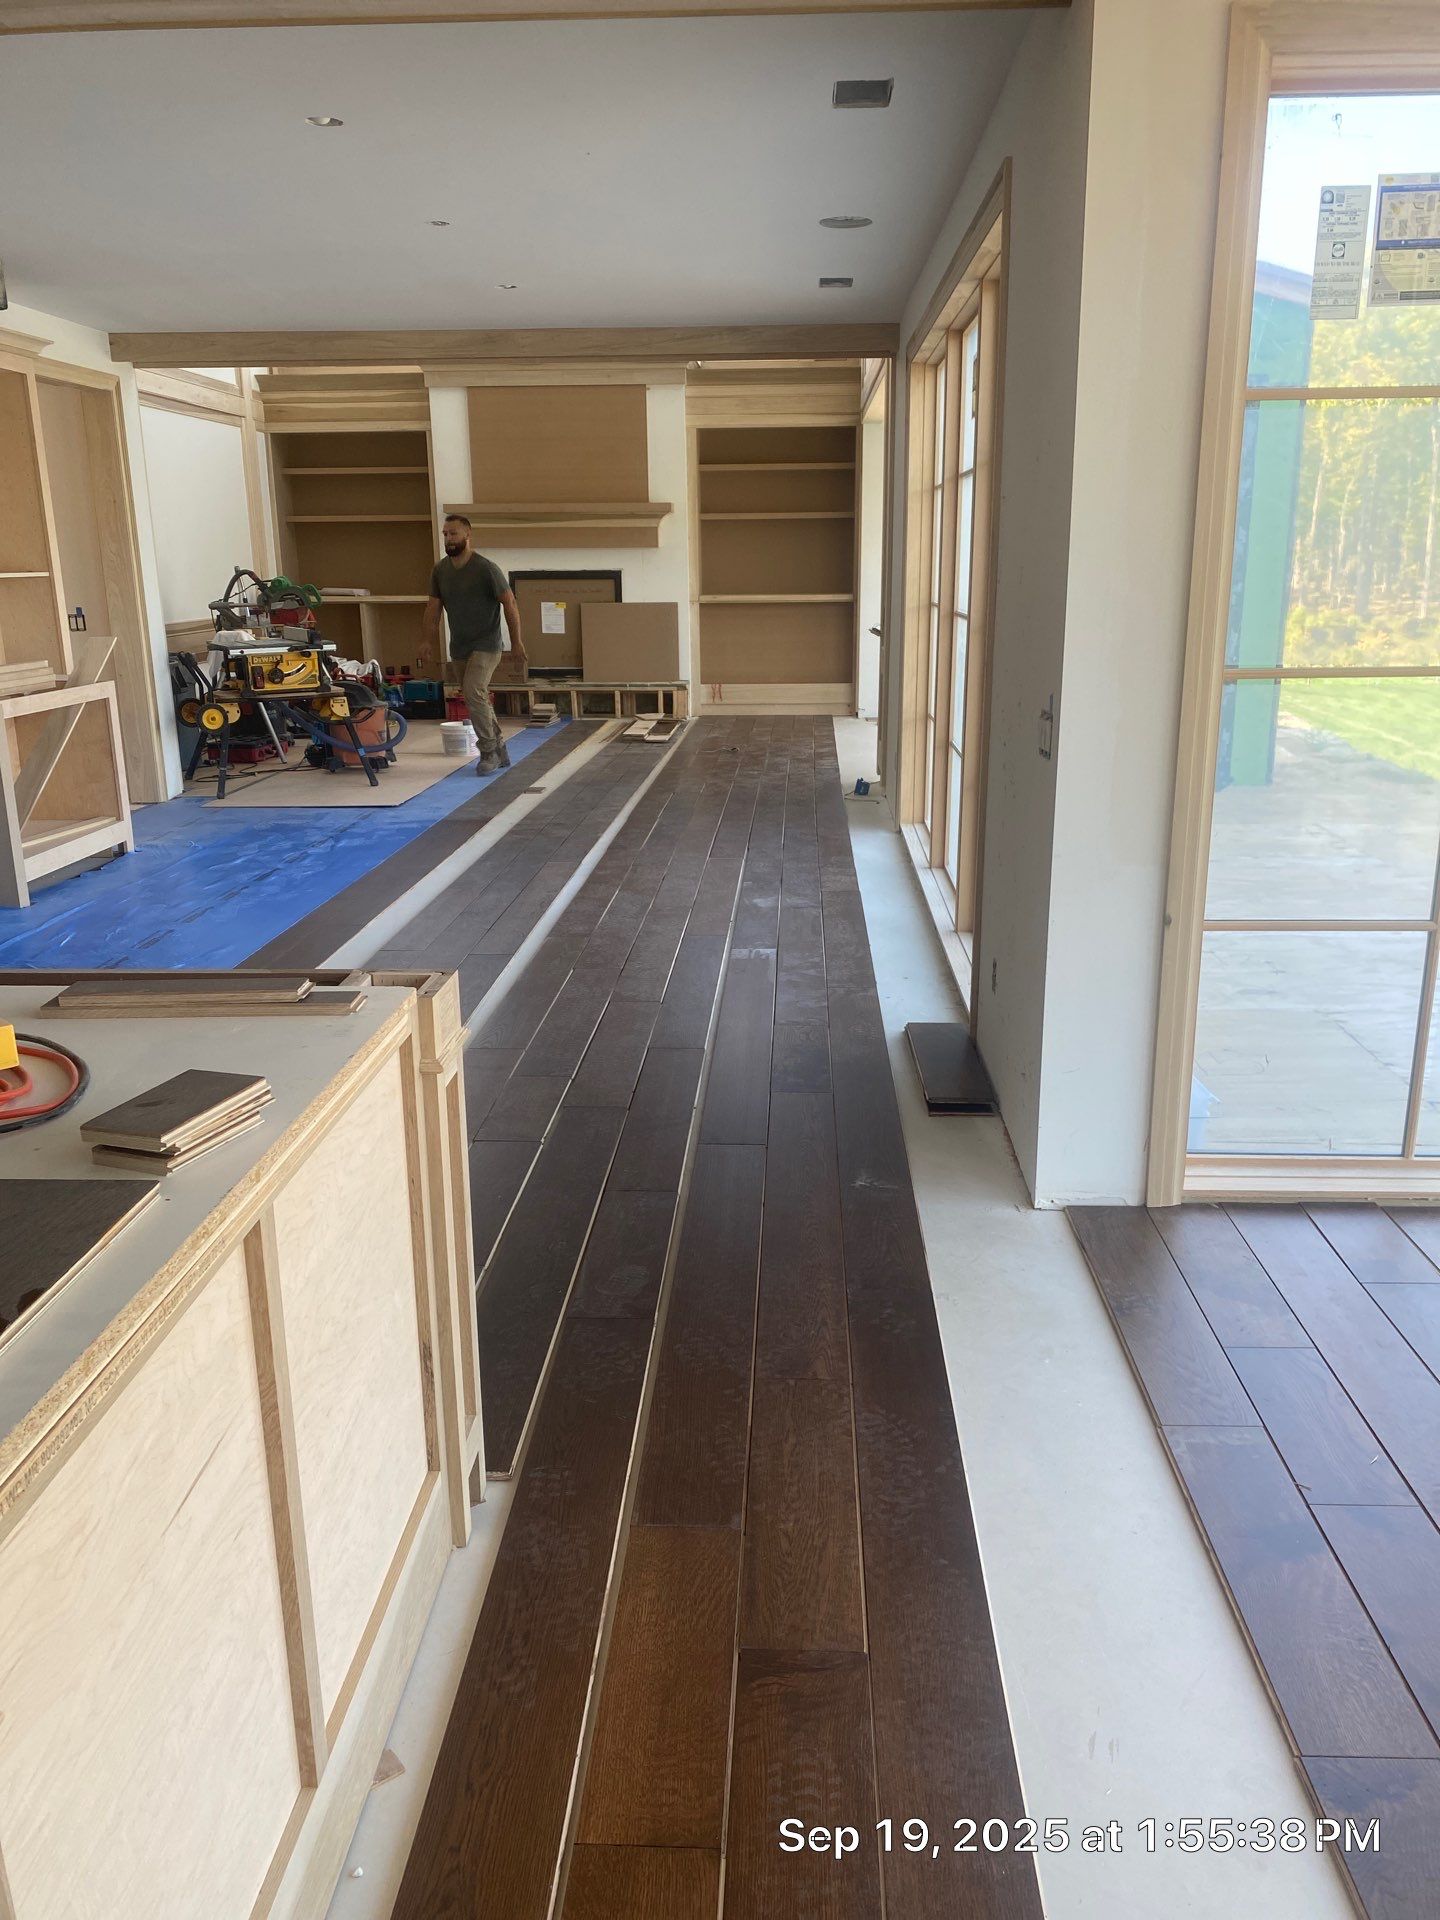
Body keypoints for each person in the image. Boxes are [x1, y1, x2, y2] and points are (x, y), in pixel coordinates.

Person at [422, 515, 527, 774]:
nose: (448, 538)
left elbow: (510, 604)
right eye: (445, 534)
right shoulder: (440, 571)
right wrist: (426, 640)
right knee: (476, 697)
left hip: (487, 644)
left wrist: (517, 643)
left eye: (453, 533)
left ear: (468, 535)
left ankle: (488, 751)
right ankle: (500, 749)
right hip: (460, 646)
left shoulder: (485, 568)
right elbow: (433, 608)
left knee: (473, 692)